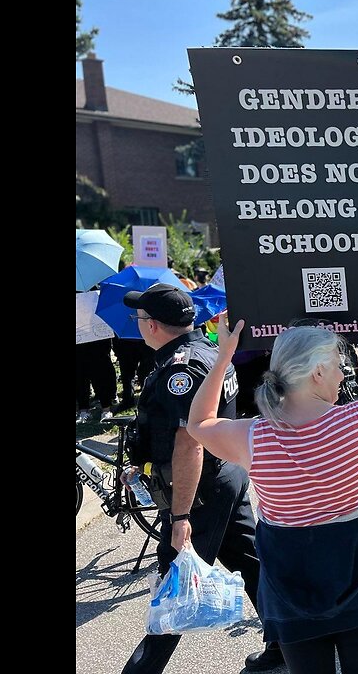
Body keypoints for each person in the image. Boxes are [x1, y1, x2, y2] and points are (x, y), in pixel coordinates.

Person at [185, 302, 358, 674]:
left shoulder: (253, 436)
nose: (342, 375)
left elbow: (199, 423)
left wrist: (223, 356)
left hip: (290, 576)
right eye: (339, 366)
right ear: (318, 371)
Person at [119, 283, 283, 673]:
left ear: (154, 325)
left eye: (139, 319)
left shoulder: (182, 366)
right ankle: (286, 643)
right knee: (254, 564)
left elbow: (188, 444)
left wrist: (180, 518)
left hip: (201, 490)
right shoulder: (209, 349)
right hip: (224, 476)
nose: (137, 325)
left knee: (173, 591)